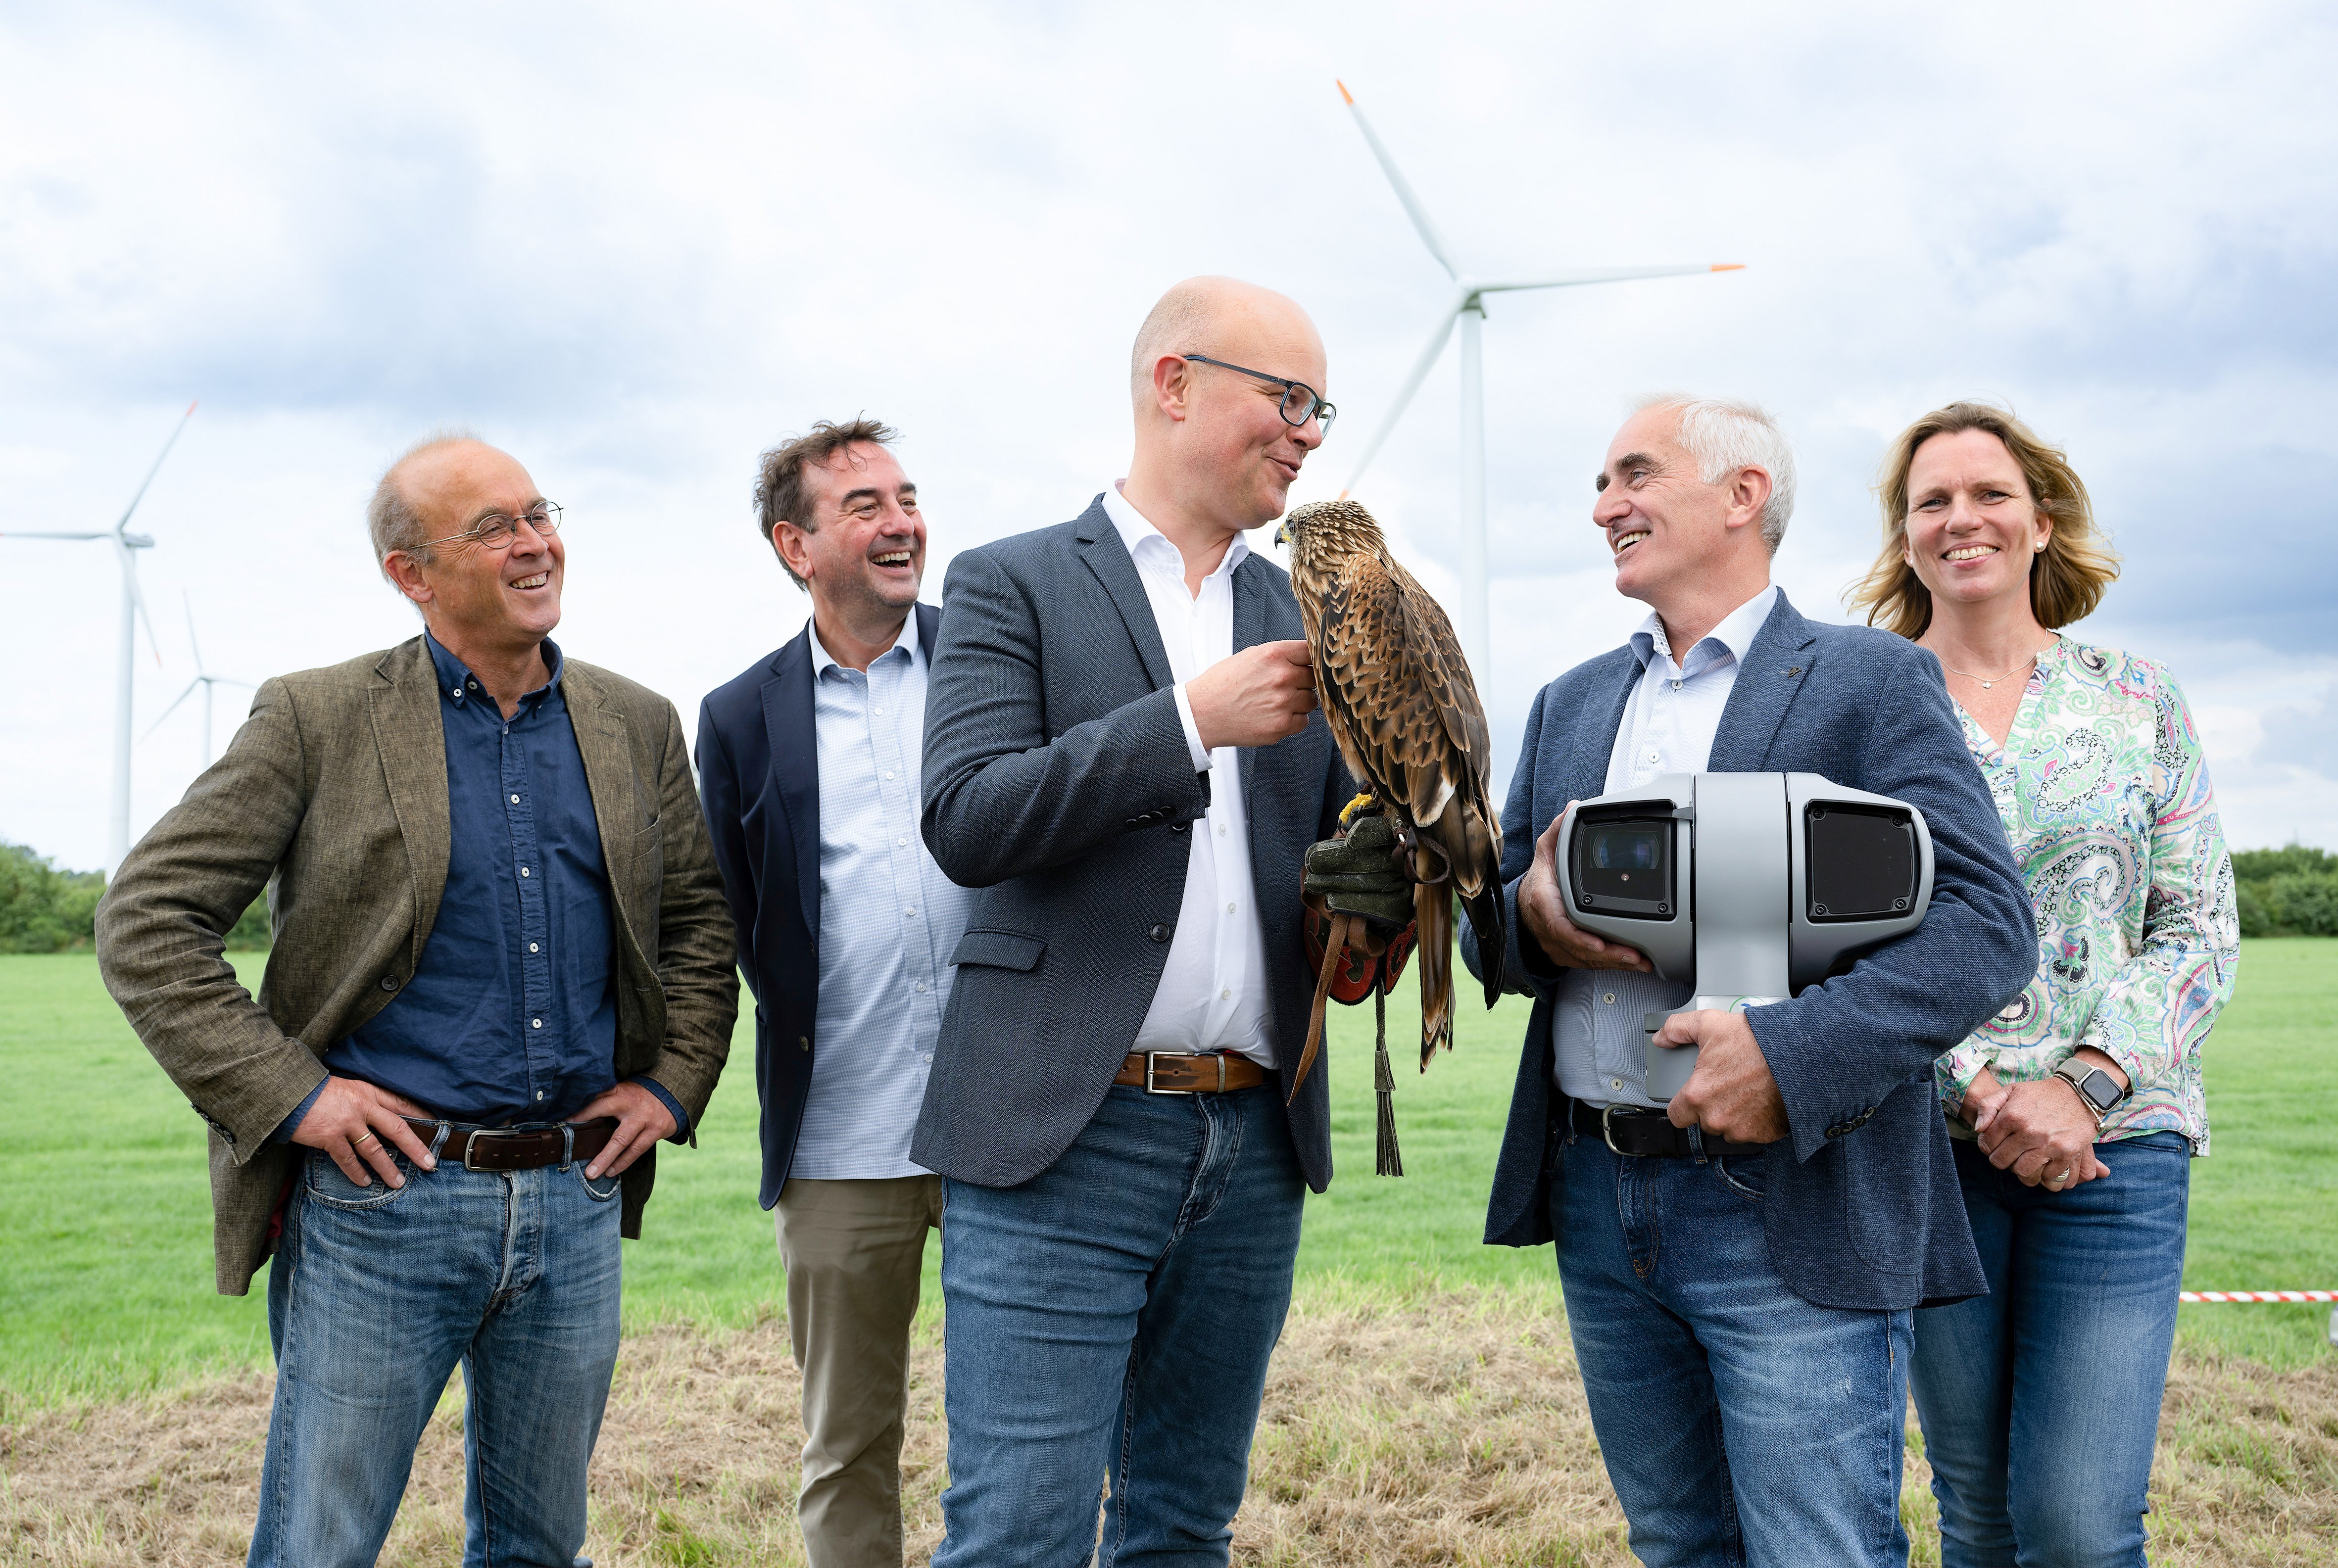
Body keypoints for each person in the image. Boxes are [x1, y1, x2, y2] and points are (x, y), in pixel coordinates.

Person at [95, 435, 738, 1568]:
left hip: (573, 1200)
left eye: (540, 514)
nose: (536, 542)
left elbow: (696, 925)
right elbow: (146, 919)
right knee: (319, 1544)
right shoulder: (317, 716)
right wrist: (296, 1095)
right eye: (494, 527)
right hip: (382, 1203)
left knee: (540, 1547)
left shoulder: (637, 720)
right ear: (411, 573)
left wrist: (674, 1084)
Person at [1464, 395, 2039, 1567]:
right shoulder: (1571, 702)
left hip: (1787, 1200)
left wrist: (1786, 1059)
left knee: (1815, 1550)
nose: (1602, 506)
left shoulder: (1867, 682)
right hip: (1596, 1189)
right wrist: (1521, 916)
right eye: (1599, 482)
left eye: (1634, 475)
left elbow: (1986, 923)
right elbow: (1487, 937)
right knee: (1676, 1542)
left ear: (1742, 496)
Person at [915, 276, 1406, 1565]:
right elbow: (966, 817)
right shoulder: (1009, 582)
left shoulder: (1311, 618)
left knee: (1184, 1524)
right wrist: (1190, 720)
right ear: (1172, 383)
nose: (1307, 432)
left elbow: (1350, 868)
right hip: (1061, 1136)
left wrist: (1386, 898)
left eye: (1321, 407)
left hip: (1253, 1136)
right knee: (1017, 1534)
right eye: (1284, 398)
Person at [1849, 401, 2239, 1568]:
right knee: (1977, 1508)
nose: (1959, 518)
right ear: (1906, 536)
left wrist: (2079, 1083)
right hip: (1923, 1150)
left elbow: (2198, 923)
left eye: (1988, 494)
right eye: (1931, 501)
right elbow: (1839, 937)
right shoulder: (1857, 708)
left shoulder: (2139, 699)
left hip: (2117, 1142)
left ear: (2041, 520)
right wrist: (1976, 1088)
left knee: (2076, 1523)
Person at [695, 419, 966, 1568]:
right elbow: (734, 921)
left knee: (1038, 1427)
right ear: (793, 546)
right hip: (840, 1137)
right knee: (848, 1441)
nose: (901, 521)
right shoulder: (739, 715)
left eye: (906, 497)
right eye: (864, 505)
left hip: (1022, 1120)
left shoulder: (996, 659)